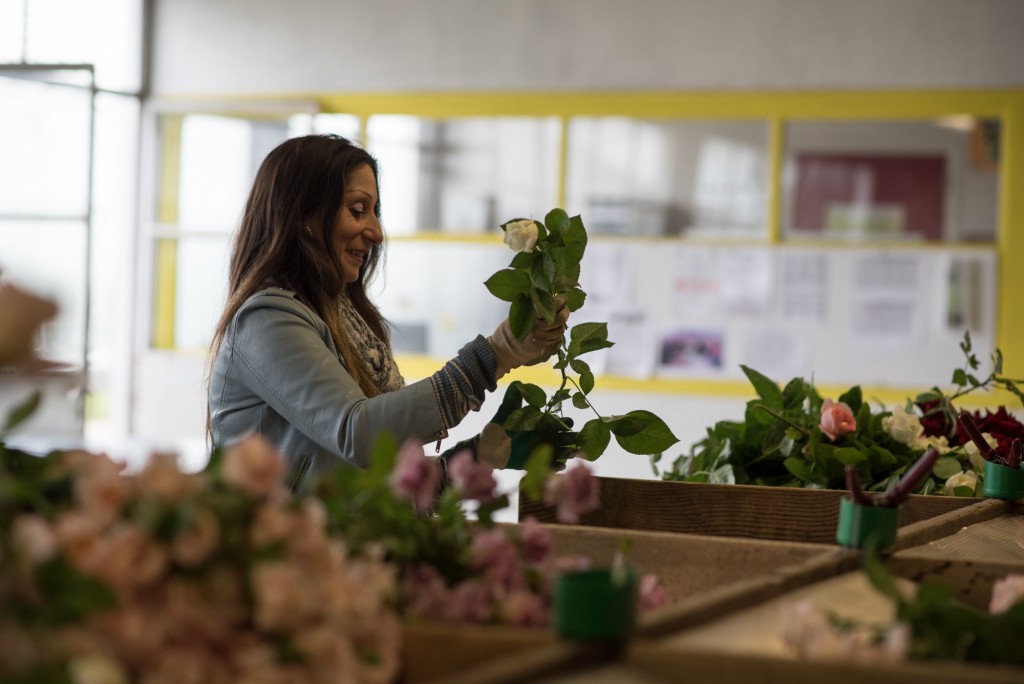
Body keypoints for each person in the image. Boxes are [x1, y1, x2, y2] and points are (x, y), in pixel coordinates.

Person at [207, 134, 572, 494]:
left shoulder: (346, 317)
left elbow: (374, 487)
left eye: (375, 212)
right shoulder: (267, 321)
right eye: (357, 209)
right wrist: (496, 354)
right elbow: (358, 434)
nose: (377, 232)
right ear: (303, 213)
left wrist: (482, 454)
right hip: (278, 550)